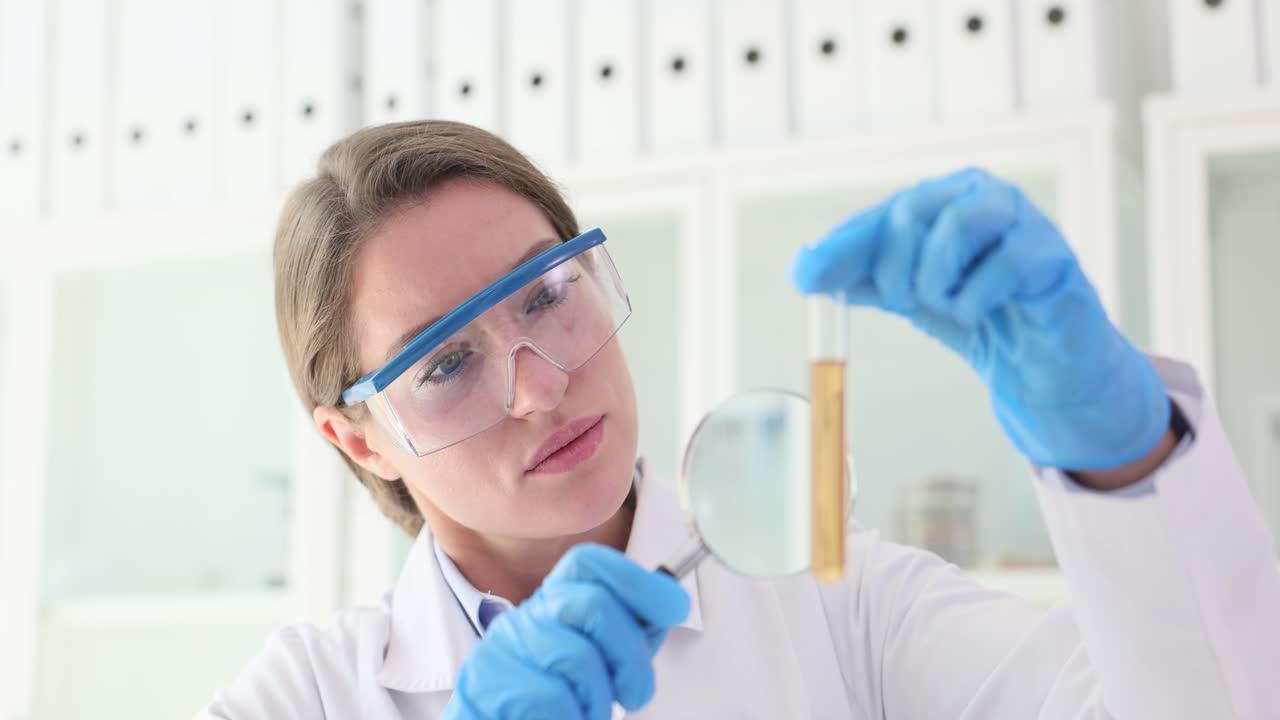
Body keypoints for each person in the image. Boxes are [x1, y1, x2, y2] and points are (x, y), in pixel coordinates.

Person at [197, 120, 1280, 719]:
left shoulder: (840, 607)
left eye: (544, 295)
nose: (540, 386)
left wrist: (1121, 452)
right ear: (358, 438)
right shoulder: (308, 697)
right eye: (442, 364)